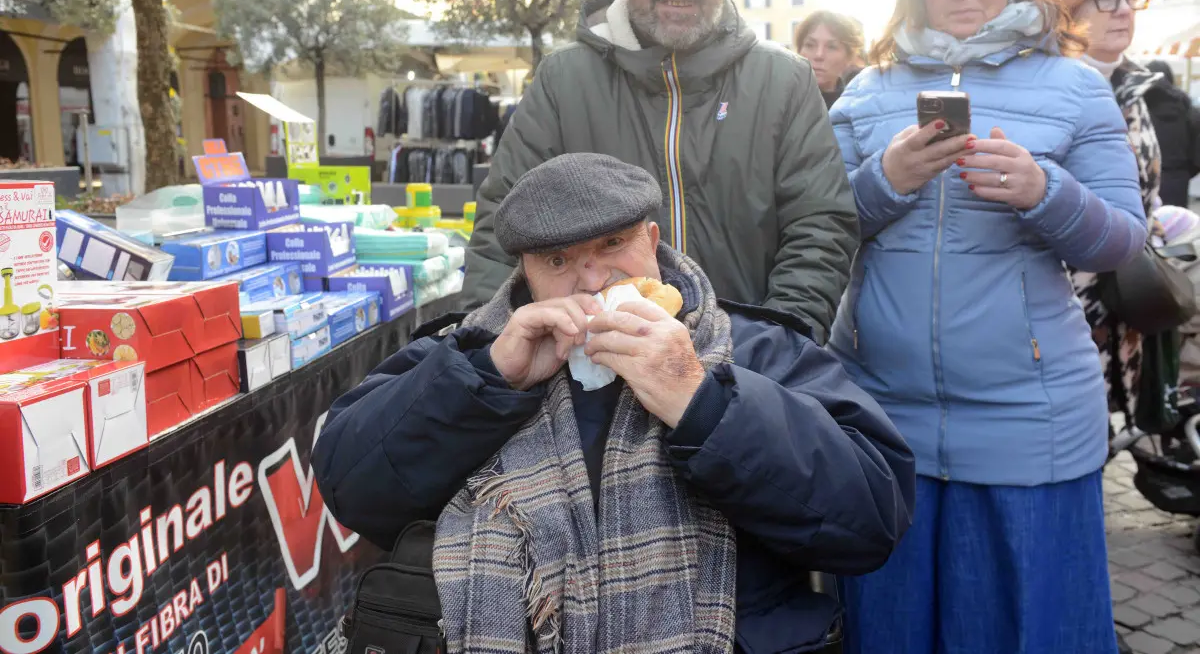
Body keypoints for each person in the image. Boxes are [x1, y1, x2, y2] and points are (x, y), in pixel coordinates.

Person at [315, 153, 915, 654]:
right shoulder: (468, 353)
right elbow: (353, 489)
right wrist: (486, 381)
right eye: (558, 260)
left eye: (613, 244)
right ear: (524, 270)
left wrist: (704, 402)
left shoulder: (756, 349)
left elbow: (870, 520)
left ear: (652, 241)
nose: (592, 280)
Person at [825, 0, 1147, 654]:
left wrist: (1047, 193)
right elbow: (821, 228)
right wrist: (884, 179)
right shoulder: (868, 92)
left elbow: (1123, 239)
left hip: (1026, 421)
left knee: (1024, 632)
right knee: (890, 635)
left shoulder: (1073, 86)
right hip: (884, 414)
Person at [462, 0, 859, 344]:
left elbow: (821, 227)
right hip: (591, 372)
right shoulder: (563, 80)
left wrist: (775, 345)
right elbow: (503, 225)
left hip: (745, 367)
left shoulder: (784, 79)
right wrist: (492, 350)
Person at [1045, 0, 1163, 416]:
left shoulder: (1134, 89)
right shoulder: (1049, 91)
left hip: (1124, 301)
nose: (1124, 9)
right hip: (1062, 311)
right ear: (1068, 7)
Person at [1146, 59, 1200, 207]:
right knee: (1177, 225)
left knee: (1147, 225)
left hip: (1145, 179)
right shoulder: (1188, 108)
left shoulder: (1137, 108)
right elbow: (1197, 153)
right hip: (1178, 178)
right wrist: (1184, 173)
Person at [794, 10, 865, 107]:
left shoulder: (857, 107)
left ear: (849, 57)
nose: (819, 55)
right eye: (810, 45)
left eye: (832, 47)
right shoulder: (778, 101)